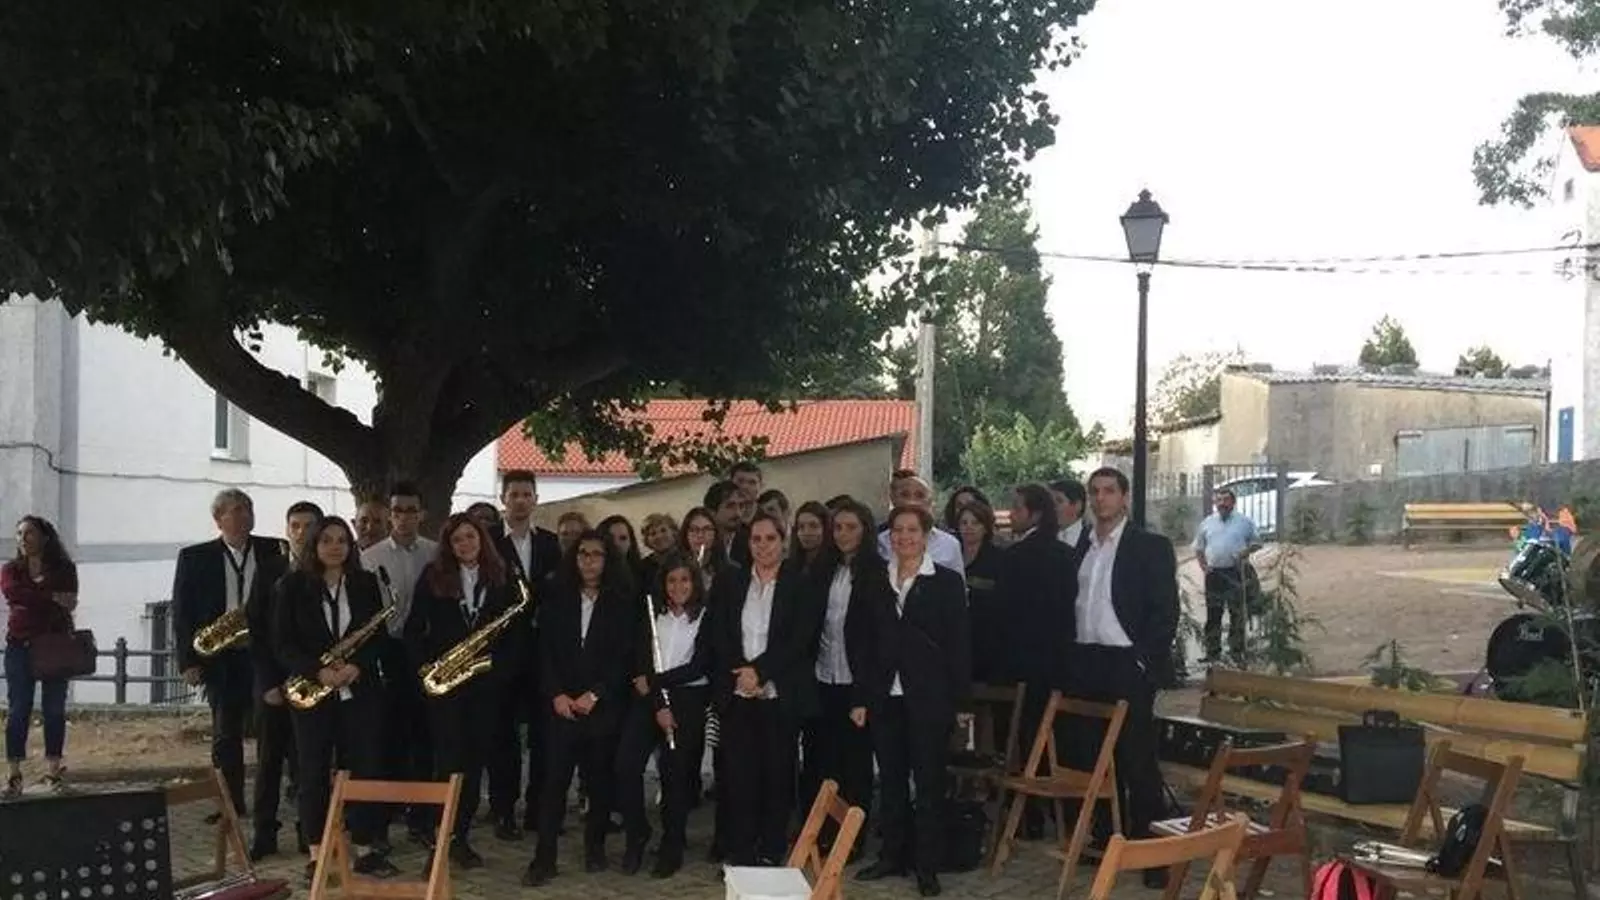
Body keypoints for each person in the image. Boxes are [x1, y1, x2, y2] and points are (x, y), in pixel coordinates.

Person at [1070, 467, 1180, 889]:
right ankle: (1106, 838)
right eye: (1095, 492)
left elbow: (1165, 610)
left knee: (1137, 760)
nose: (1101, 499)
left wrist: (1143, 660)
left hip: (1126, 661)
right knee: (1094, 755)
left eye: (1109, 491)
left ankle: (1153, 856)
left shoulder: (1148, 546)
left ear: (1125, 497)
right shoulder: (1084, 545)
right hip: (1088, 659)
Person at [854, 505, 970, 898]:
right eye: (898, 531)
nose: (904, 537)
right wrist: (861, 695)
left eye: (912, 530)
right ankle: (892, 855)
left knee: (929, 782)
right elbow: (861, 640)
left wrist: (960, 702)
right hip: (885, 695)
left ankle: (927, 865)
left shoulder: (946, 582)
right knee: (891, 780)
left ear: (925, 536)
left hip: (929, 696)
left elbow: (959, 643)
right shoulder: (874, 580)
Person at [273, 516, 397, 880]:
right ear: (314, 545)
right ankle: (317, 853)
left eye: (342, 540)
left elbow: (378, 636)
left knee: (365, 767)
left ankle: (365, 848)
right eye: (326, 540)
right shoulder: (291, 586)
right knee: (312, 773)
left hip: (359, 691)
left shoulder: (365, 583)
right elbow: (282, 643)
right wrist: (318, 671)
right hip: (313, 691)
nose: (335, 547)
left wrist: (357, 665)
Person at [406, 513, 521, 869]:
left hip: (486, 687)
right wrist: (425, 667)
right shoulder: (433, 576)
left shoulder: (503, 576)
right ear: (449, 546)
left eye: (470, 536)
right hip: (447, 688)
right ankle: (440, 837)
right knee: (448, 764)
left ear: (481, 539)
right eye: (457, 540)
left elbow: (517, 635)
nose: (465, 544)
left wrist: (499, 670)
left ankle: (460, 837)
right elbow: (413, 629)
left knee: (473, 765)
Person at [523, 531, 636, 886]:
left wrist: (596, 694)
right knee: (553, 784)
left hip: (601, 707)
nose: (589, 561)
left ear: (607, 560)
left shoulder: (622, 603)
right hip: (561, 707)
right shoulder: (557, 599)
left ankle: (595, 847)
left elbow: (624, 658)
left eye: (596, 554)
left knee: (599, 782)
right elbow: (544, 653)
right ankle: (544, 858)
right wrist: (556, 694)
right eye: (583, 554)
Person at [710, 513, 822, 866]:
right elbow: (719, 632)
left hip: (779, 693)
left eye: (770, 538)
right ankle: (741, 851)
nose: (762, 546)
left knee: (777, 776)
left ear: (783, 541)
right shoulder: (731, 581)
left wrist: (760, 673)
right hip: (738, 693)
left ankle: (772, 849)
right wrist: (742, 674)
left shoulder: (800, 583)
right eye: (756, 539)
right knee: (739, 778)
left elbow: (800, 639)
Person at [172, 489, 286, 819]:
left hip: (263, 654)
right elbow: (182, 612)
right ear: (218, 519)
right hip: (222, 657)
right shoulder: (194, 557)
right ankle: (230, 805)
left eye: (247, 508)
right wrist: (188, 661)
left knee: (271, 732)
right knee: (225, 735)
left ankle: (270, 804)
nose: (244, 515)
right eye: (235, 510)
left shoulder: (275, 549)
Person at [614, 552, 712, 878]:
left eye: (685, 579)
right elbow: (642, 661)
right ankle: (637, 833)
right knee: (625, 766)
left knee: (675, 777)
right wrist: (658, 703)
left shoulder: (706, 617)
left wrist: (657, 681)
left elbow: (699, 666)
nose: (678, 586)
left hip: (687, 701)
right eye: (672, 580)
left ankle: (672, 846)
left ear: (694, 582)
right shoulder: (652, 614)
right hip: (650, 702)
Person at [801, 499, 884, 847]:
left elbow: (877, 639)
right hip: (823, 678)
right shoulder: (823, 570)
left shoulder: (877, 572)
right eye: (838, 527)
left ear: (865, 531)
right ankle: (822, 832)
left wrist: (865, 694)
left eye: (851, 527)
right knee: (823, 760)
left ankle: (852, 839)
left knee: (855, 766)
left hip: (856, 682)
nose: (843, 534)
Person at [361, 482, 439, 846]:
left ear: (421, 514)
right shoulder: (370, 557)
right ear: (389, 515)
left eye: (411, 510)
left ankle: (421, 817)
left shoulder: (436, 553)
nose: (404, 517)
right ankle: (387, 811)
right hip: (386, 650)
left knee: (424, 736)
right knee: (387, 735)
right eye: (397, 511)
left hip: (424, 652)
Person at [487, 469, 562, 840]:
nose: (520, 500)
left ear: (535, 499)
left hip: (542, 653)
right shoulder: (487, 541)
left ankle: (538, 809)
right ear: (503, 499)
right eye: (513, 494)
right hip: (502, 653)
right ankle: (503, 810)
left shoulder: (550, 543)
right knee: (503, 736)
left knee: (544, 735)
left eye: (526, 494)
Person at [244, 500, 321, 859]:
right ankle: (264, 832)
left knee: (307, 762)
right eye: (296, 526)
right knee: (268, 761)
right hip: (273, 683)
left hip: (310, 681)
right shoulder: (269, 570)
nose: (302, 533)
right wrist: (267, 683)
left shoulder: (325, 571)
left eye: (309, 526)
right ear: (287, 529)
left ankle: (308, 831)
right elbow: (256, 631)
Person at [2, 516, 78, 798]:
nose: (23, 539)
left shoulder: (64, 569)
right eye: (19, 533)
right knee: (18, 709)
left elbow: (69, 600)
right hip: (19, 646)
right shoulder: (11, 569)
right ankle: (14, 774)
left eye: (29, 533)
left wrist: (33, 596)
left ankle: (53, 770)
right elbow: (13, 593)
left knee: (54, 709)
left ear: (44, 537)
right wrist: (51, 597)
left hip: (54, 645)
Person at [1192, 488, 1260, 663]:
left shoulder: (1244, 522)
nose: (1222, 503)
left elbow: (1257, 543)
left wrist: (1245, 552)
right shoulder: (1207, 523)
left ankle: (1236, 652)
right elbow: (1198, 547)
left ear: (1233, 502)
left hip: (1235, 572)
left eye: (1226, 500)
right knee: (1213, 614)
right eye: (1219, 500)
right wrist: (1203, 566)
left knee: (1237, 613)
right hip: (1214, 574)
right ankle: (1212, 653)